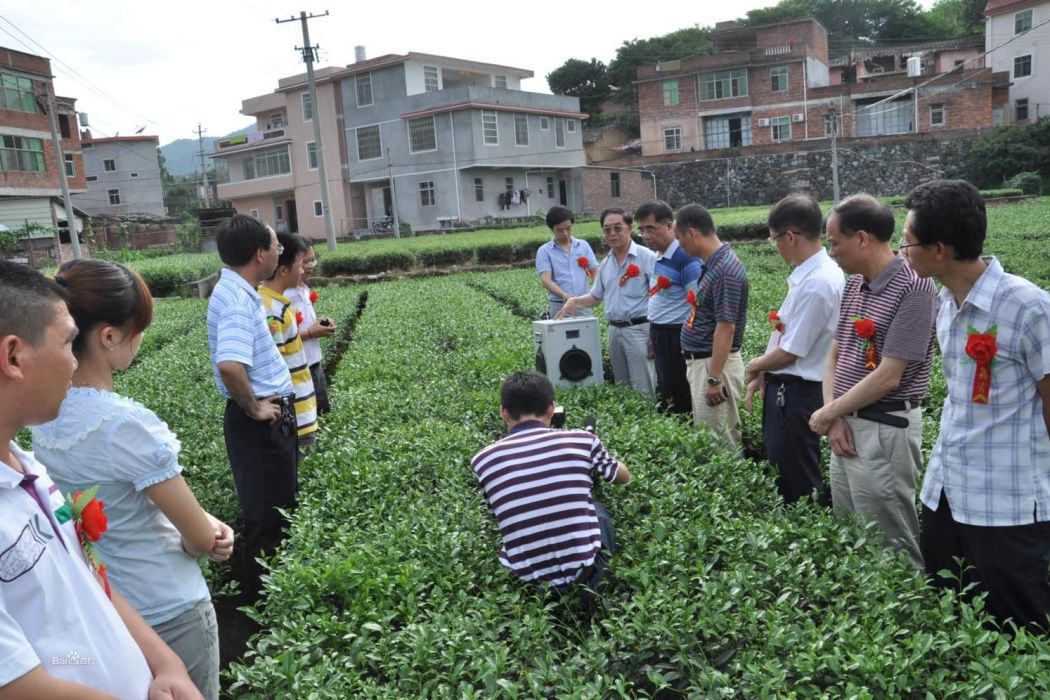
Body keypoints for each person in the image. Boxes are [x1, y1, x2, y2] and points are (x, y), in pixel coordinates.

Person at [31, 259, 233, 699]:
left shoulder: (42, 417)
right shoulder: (124, 425)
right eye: (138, 328)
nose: (141, 339)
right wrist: (211, 529)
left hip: (107, 613)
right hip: (171, 611)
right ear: (109, 336)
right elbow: (198, 539)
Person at [901, 179, 1050, 631]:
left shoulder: (1028, 307)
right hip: (946, 492)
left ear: (940, 249)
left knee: (1019, 630)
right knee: (954, 620)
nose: (903, 251)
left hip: (1007, 504)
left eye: (907, 243)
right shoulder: (946, 304)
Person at [808, 194, 937, 569]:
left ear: (862, 238)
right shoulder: (853, 284)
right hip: (845, 423)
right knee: (850, 533)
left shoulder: (915, 288)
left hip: (883, 428)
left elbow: (888, 376)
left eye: (834, 242)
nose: (831, 252)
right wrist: (834, 416)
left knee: (890, 541)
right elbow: (835, 352)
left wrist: (830, 411)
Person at [206, 214, 297, 602]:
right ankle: (264, 605)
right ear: (260, 253)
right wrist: (255, 408)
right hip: (259, 425)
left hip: (262, 420)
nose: (279, 250)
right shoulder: (239, 304)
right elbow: (230, 364)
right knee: (268, 517)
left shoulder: (239, 292)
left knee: (273, 510)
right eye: (275, 245)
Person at [471, 371, 631, 589]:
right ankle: (607, 585)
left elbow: (497, 512)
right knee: (597, 510)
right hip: (584, 573)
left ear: (503, 412)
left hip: (526, 581)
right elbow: (623, 477)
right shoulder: (582, 440)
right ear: (552, 408)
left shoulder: (482, 460)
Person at [744, 194, 844, 504]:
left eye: (775, 239)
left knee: (796, 482)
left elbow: (790, 352)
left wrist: (755, 365)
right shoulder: (811, 276)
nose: (774, 246)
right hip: (790, 391)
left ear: (790, 236)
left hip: (797, 395)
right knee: (787, 471)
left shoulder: (818, 282)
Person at [559, 208, 657, 398]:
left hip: (639, 331)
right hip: (614, 332)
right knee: (623, 390)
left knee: (644, 389)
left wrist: (654, 333)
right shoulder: (606, 264)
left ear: (629, 228)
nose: (612, 234)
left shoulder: (647, 258)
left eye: (617, 228)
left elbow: (659, 297)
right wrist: (574, 302)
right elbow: (596, 297)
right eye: (607, 229)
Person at [674, 203, 749, 446]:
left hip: (714, 366)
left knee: (719, 443)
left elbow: (726, 327)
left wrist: (714, 379)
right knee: (710, 438)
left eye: (678, 238)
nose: (678, 244)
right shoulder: (714, 264)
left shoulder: (724, 270)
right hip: (706, 363)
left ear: (692, 233)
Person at [638, 200, 701, 416]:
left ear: (669, 227)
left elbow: (697, 303)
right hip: (661, 333)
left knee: (679, 396)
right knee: (667, 392)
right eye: (642, 230)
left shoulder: (684, 257)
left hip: (677, 335)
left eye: (651, 229)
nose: (646, 236)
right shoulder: (660, 255)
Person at [260, 233, 318, 454]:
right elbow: (277, 364)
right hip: (292, 415)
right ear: (283, 270)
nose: (303, 270)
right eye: (300, 265)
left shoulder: (279, 304)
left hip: (300, 410)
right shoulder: (271, 310)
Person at [285, 237, 336, 414]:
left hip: (315, 363)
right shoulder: (283, 295)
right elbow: (281, 340)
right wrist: (311, 332)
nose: (310, 265)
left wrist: (320, 324)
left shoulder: (303, 288)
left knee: (321, 416)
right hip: (298, 370)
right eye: (306, 262)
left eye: (312, 260)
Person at [535, 206, 598, 318]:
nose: (565, 233)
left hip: (582, 303)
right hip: (559, 305)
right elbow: (546, 280)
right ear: (552, 229)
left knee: (586, 333)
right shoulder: (544, 251)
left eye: (568, 228)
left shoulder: (583, 246)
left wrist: (595, 290)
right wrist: (566, 296)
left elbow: (595, 269)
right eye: (560, 230)